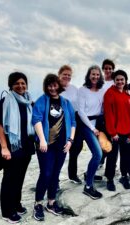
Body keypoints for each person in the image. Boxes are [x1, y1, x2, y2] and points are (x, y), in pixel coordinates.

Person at [32, 74, 76, 221]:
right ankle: (38, 204)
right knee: (46, 173)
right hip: (45, 146)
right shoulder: (42, 101)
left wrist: (70, 140)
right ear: (46, 86)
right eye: (49, 85)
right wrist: (42, 140)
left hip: (62, 145)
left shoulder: (66, 103)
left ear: (59, 85)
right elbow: (36, 120)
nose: (52, 88)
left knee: (55, 174)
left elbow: (74, 122)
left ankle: (51, 202)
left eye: (55, 85)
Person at [0, 72, 35, 223]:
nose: (20, 86)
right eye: (17, 83)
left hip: (26, 146)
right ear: (11, 86)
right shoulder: (4, 102)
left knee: (20, 177)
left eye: (23, 83)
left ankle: (16, 203)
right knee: (10, 178)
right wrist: (4, 147)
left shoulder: (28, 102)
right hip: (12, 147)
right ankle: (7, 211)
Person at [104, 70, 130, 190]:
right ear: (114, 80)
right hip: (115, 133)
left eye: (122, 79)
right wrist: (113, 133)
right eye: (117, 79)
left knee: (126, 156)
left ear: (125, 81)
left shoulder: (127, 95)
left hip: (127, 132)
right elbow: (109, 115)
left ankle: (124, 176)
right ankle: (109, 179)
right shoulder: (109, 94)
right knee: (112, 157)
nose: (120, 81)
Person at [77, 65, 105, 199]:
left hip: (98, 123)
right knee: (97, 154)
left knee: (103, 151)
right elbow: (81, 112)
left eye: (97, 74)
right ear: (89, 75)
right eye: (93, 74)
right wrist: (92, 128)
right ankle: (88, 186)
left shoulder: (101, 90)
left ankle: (90, 173)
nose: (95, 77)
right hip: (86, 125)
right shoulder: (82, 90)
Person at [57, 65, 82, 184]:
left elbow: (79, 107)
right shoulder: (54, 88)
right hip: (59, 122)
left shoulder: (74, 89)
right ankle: (54, 180)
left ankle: (72, 174)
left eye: (69, 75)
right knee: (59, 151)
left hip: (73, 121)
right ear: (59, 75)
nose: (67, 77)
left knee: (76, 148)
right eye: (64, 74)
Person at [99, 59, 115, 168]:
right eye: (106, 68)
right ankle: (101, 159)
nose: (108, 70)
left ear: (113, 69)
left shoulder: (115, 82)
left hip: (113, 115)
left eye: (110, 68)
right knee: (102, 139)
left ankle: (111, 164)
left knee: (112, 140)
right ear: (103, 69)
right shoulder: (100, 82)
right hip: (100, 115)